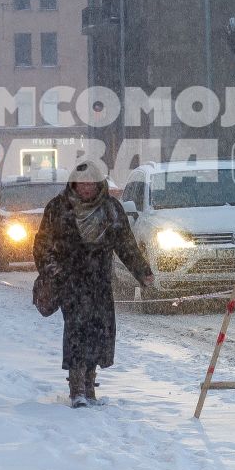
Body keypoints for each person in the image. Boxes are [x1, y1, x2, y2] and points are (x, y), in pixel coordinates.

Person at [32, 160, 154, 408]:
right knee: (77, 332)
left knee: (100, 334)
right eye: (82, 183)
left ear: (99, 184)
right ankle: (76, 387)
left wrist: (143, 272)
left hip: (99, 283)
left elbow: (126, 244)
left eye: (91, 183)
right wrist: (51, 268)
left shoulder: (111, 209)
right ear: (73, 183)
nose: (86, 188)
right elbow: (42, 244)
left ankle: (90, 384)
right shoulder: (58, 207)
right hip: (70, 282)